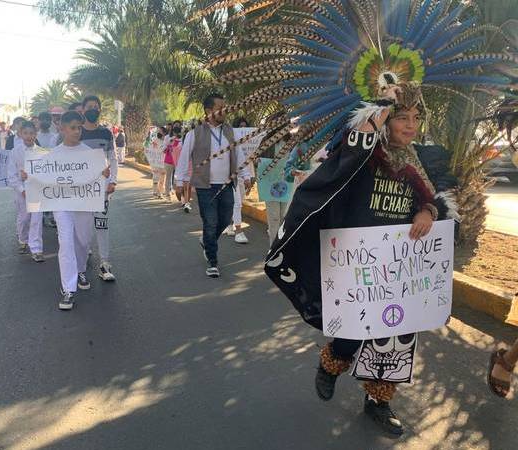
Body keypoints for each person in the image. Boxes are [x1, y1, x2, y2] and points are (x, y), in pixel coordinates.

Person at [264, 82, 459, 436]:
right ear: (385, 119)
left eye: (416, 118)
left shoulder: (418, 159)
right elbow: (352, 149)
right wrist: (382, 103)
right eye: (402, 117)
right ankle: (331, 364)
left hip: (398, 268)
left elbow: (435, 199)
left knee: (396, 338)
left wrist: (427, 211)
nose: (411, 125)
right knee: (352, 330)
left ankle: (378, 401)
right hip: (357, 264)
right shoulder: (363, 153)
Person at [34, 111, 110, 310]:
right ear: (62, 129)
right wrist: (29, 176)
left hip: (84, 204)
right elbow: (41, 177)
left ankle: (81, 270)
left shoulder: (90, 154)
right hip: (62, 205)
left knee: (83, 241)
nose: (77, 131)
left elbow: (102, 176)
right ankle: (68, 288)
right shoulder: (53, 155)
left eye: (79, 128)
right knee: (66, 242)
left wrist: (105, 176)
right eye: (73, 128)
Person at [175, 93, 251, 278]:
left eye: (225, 107)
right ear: (208, 111)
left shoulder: (230, 131)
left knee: (225, 219)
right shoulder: (195, 133)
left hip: (226, 185)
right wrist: (179, 182)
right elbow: (184, 158)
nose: (225, 110)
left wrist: (246, 175)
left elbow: (239, 155)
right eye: (220, 108)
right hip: (205, 186)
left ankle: (206, 241)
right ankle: (212, 261)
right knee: (210, 222)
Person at [80, 95, 118, 282]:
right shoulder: (77, 133)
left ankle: (104, 263)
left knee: (102, 225)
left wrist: (113, 181)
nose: (93, 110)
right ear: (83, 110)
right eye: (89, 107)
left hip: (101, 189)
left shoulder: (106, 133)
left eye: (96, 107)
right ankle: (82, 259)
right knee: (83, 227)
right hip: (81, 190)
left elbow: (113, 159)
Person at [8, 121, 45, 262]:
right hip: (21, 190)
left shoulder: (42, 152)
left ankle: (36, 248)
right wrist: (21, 188)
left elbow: (46, 172)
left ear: (36, 134)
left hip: (36, 190)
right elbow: (11, 174)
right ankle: (23, 239)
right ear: (20, 134)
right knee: (24, 218)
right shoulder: (15, 151)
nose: (29, 136)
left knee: (36, 219)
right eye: (26, 133)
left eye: (31, 133)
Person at [163, 124, 181, 202]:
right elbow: (163, 149)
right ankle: (167, 195)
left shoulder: (181, 139)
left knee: (178, 178)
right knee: (168, 177)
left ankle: (179, 194)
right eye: (174, 132)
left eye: (177, 132)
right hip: (168, 161)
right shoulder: (167, 137)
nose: (175, 134)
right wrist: (169, 143)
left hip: (178, 162)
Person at [146, 127, 167, 198]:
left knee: (162, 179)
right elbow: (149, 149)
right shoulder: (155, 140)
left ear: (164, 132)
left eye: (160, 131)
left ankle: (160, 192)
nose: (158, 132)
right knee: (155, 178)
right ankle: (155, 191)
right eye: (158, 131)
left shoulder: (166, 140)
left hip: (163, 162)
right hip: (156, 162)